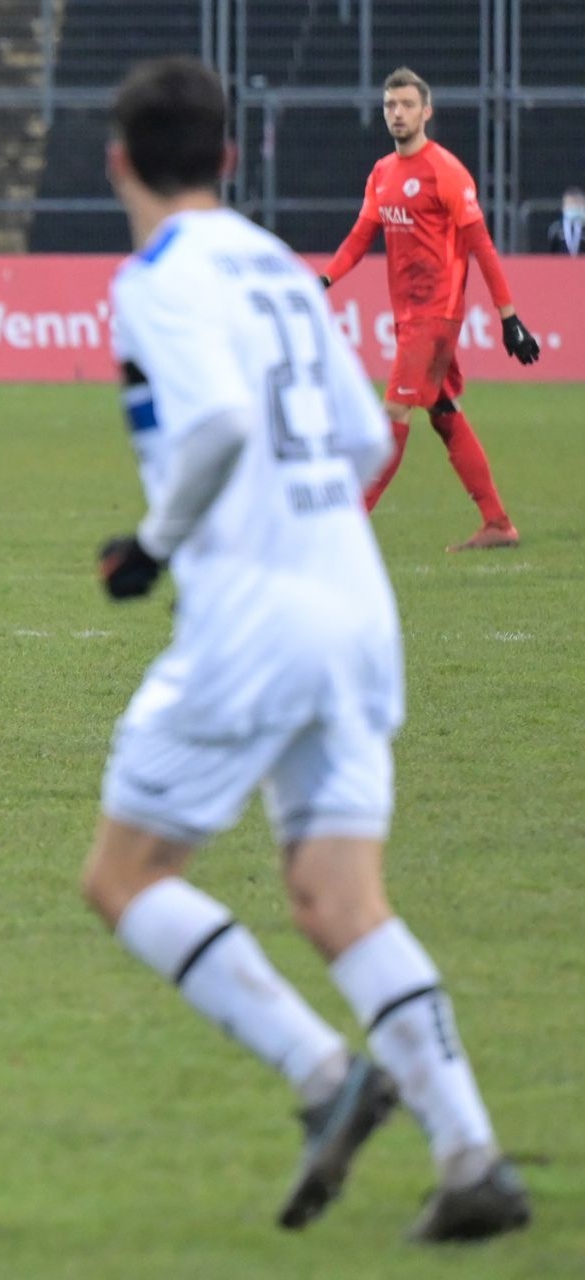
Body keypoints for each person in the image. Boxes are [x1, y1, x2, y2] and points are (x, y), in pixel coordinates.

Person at [83, 56, 530, 1243]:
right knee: (340, 898)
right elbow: (356, 434)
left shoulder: (155, 278)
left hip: (257, 613)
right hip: (356, 603)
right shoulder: (278, 269)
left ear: (120, 162)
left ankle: (326, 1076)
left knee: (122, 877)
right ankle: (472, 1152)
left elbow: (225, 421)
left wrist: (154, 543)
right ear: (230, 159)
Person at [319, 67, 540, 552]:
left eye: (406, 105)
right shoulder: (382, 172)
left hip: (435, 316)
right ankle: (498, 523)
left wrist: (509, 317)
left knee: (394, 410)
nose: (396, 114)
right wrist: (326, 277)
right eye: (389, 106)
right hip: (408, 314)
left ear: (427, 111)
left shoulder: (445, 171)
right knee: (443, 411)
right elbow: (361, 237)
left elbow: (482, 246)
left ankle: (346, 527)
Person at [547, 187, 583, 256]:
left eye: (578, 204)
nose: (574, 207)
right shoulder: (556, 228)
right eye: (571, 204)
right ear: (564, 206)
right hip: (561, 265)